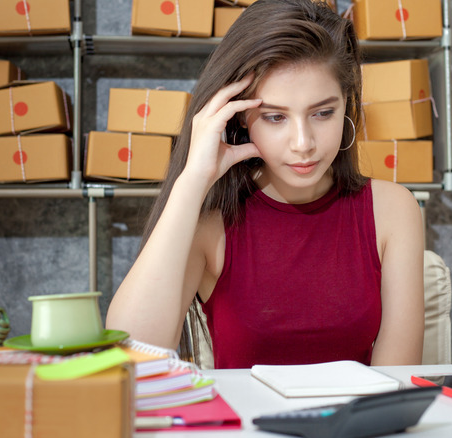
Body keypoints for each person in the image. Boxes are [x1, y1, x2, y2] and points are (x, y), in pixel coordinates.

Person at [106, 0, 425, 368]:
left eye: (323, 113)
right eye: (275, 117)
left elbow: (395, 381)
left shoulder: (392, 210)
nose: (303, 142)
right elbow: (131, 356)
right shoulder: (211, 222)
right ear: (239, 117)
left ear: (347, 107)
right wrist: (193, 179)